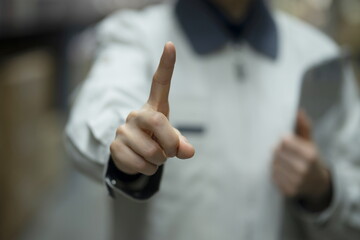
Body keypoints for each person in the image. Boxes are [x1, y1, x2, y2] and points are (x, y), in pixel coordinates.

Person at [65, 0, 360, 239]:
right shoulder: (136, 36)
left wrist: (325, 189)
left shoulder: (320, 57)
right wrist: (123, 143)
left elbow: (353, 178)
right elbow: (96, 111)